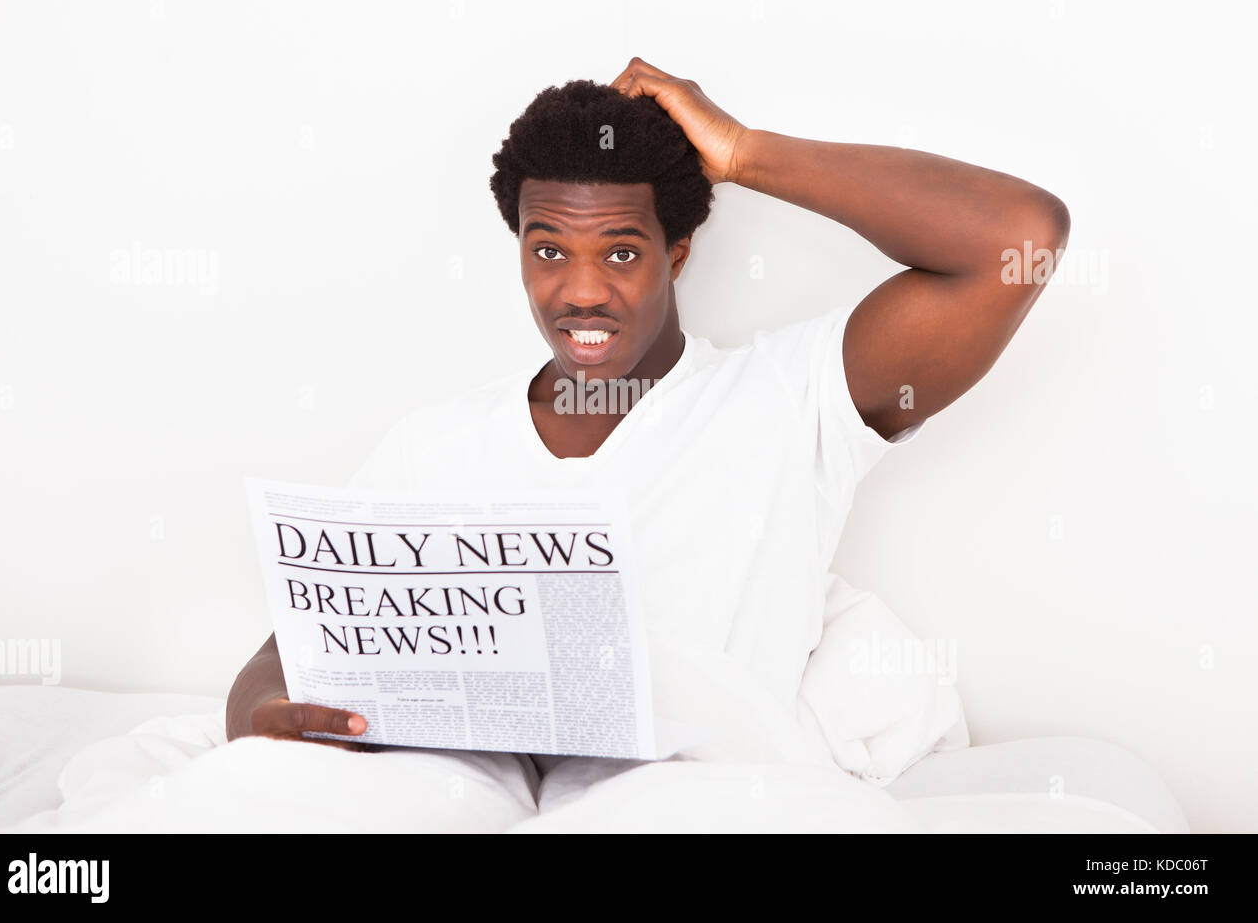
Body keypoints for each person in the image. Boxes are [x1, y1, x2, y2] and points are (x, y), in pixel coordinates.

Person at [225, 57, 1070, 821]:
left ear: (681, 252)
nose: (580, 292)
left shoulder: (789, 399)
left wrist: (742, 151)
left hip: (694, 801)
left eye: (621, 253)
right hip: (465, 793)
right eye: (547, 248)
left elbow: (1018, 238)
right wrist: (266, 720)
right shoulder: (436, 444)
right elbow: (294, 648)